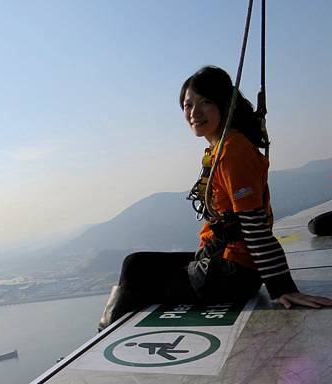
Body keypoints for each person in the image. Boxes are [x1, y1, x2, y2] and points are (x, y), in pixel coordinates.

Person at [98, 66, 332, 332]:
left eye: (205, 103)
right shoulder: (221, 147)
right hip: (225, 262)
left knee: (136, 272)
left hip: (233, 274)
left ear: (223, 104)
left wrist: (282, 287)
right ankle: (106, 333)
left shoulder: (234, 152)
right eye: (188, 105)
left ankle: (102, 338)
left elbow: (253, 225)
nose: (194, 113)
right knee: (137, 263)